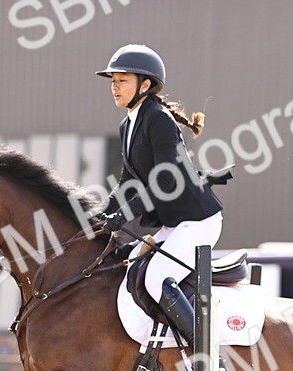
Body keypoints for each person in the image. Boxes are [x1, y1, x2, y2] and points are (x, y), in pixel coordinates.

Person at [90, 44, 225, 346]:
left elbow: (166, 178)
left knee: (156, 279)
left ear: (145, 84)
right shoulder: (128, 124)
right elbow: (128, 181)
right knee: (131, 273)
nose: (115, 87)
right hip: (174, 224)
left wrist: (123, 215)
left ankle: (203, 353)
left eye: (122, 80)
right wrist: (98, 215)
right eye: (113, 80)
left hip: (198, 221)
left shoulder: (158, 118)